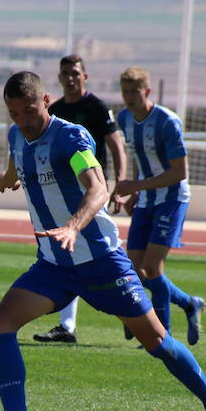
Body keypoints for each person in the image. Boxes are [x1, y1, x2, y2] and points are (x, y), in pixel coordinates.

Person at [0, 71, 206, 411]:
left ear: (46, 100)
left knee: (157, 341)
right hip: (53, 264)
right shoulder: (16, 134)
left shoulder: (71, 137)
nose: (23, 120)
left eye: (29, 110)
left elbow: (98, 187)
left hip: (100, 261)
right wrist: (8, 177)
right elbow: (19, 160)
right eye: (14, 113)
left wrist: (72, 225)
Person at [32, 54, 127, 345]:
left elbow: (115, 144)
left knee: (103, 256)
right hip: (62, 195)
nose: (70, 78)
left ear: (85, 76)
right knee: (69, 254)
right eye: (65, 73)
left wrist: (119, 183)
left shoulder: (96, 107)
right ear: (59, 78)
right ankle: (68, 326)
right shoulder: (55, 110)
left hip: (90, 193)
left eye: (75, 73)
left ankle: (135, 311)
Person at [115, 66, 206, 346]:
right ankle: (190, 304)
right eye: (125, 91)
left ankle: (162, 335)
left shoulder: (168, 122)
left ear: (148, 91)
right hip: (145, 198)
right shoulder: (124, 118)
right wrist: (133, 195)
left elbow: (180, 172)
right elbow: (141, 160)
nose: (130, 97)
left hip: (171, 199)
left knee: (152, 269)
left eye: (135, 91)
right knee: (135, 271)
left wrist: (135, 187)